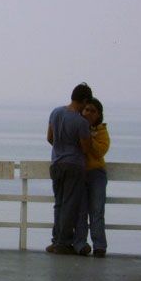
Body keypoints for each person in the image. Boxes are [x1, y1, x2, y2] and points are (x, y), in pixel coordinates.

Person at [46, 82, 93, 255]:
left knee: (58, 203)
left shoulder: (56, 112)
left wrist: (60, 148)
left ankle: (55, 239)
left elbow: (49, 137)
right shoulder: (81, 122)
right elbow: (86, 148)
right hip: (74, 164)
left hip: (56, 163)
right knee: (69, 205)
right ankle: (63, 242)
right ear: (84, 100)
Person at [73, 97, 110, 258]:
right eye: (86, 109)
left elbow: (99, 151)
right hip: (79, 172)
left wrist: (88, 138)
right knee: (80, 211)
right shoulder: (76, 127)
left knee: (96, 209)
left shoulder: (102, 132)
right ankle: (80, 244)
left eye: (92, 111)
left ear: (98, 115)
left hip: (96, 173)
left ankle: (99, 245)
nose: (88, 113)